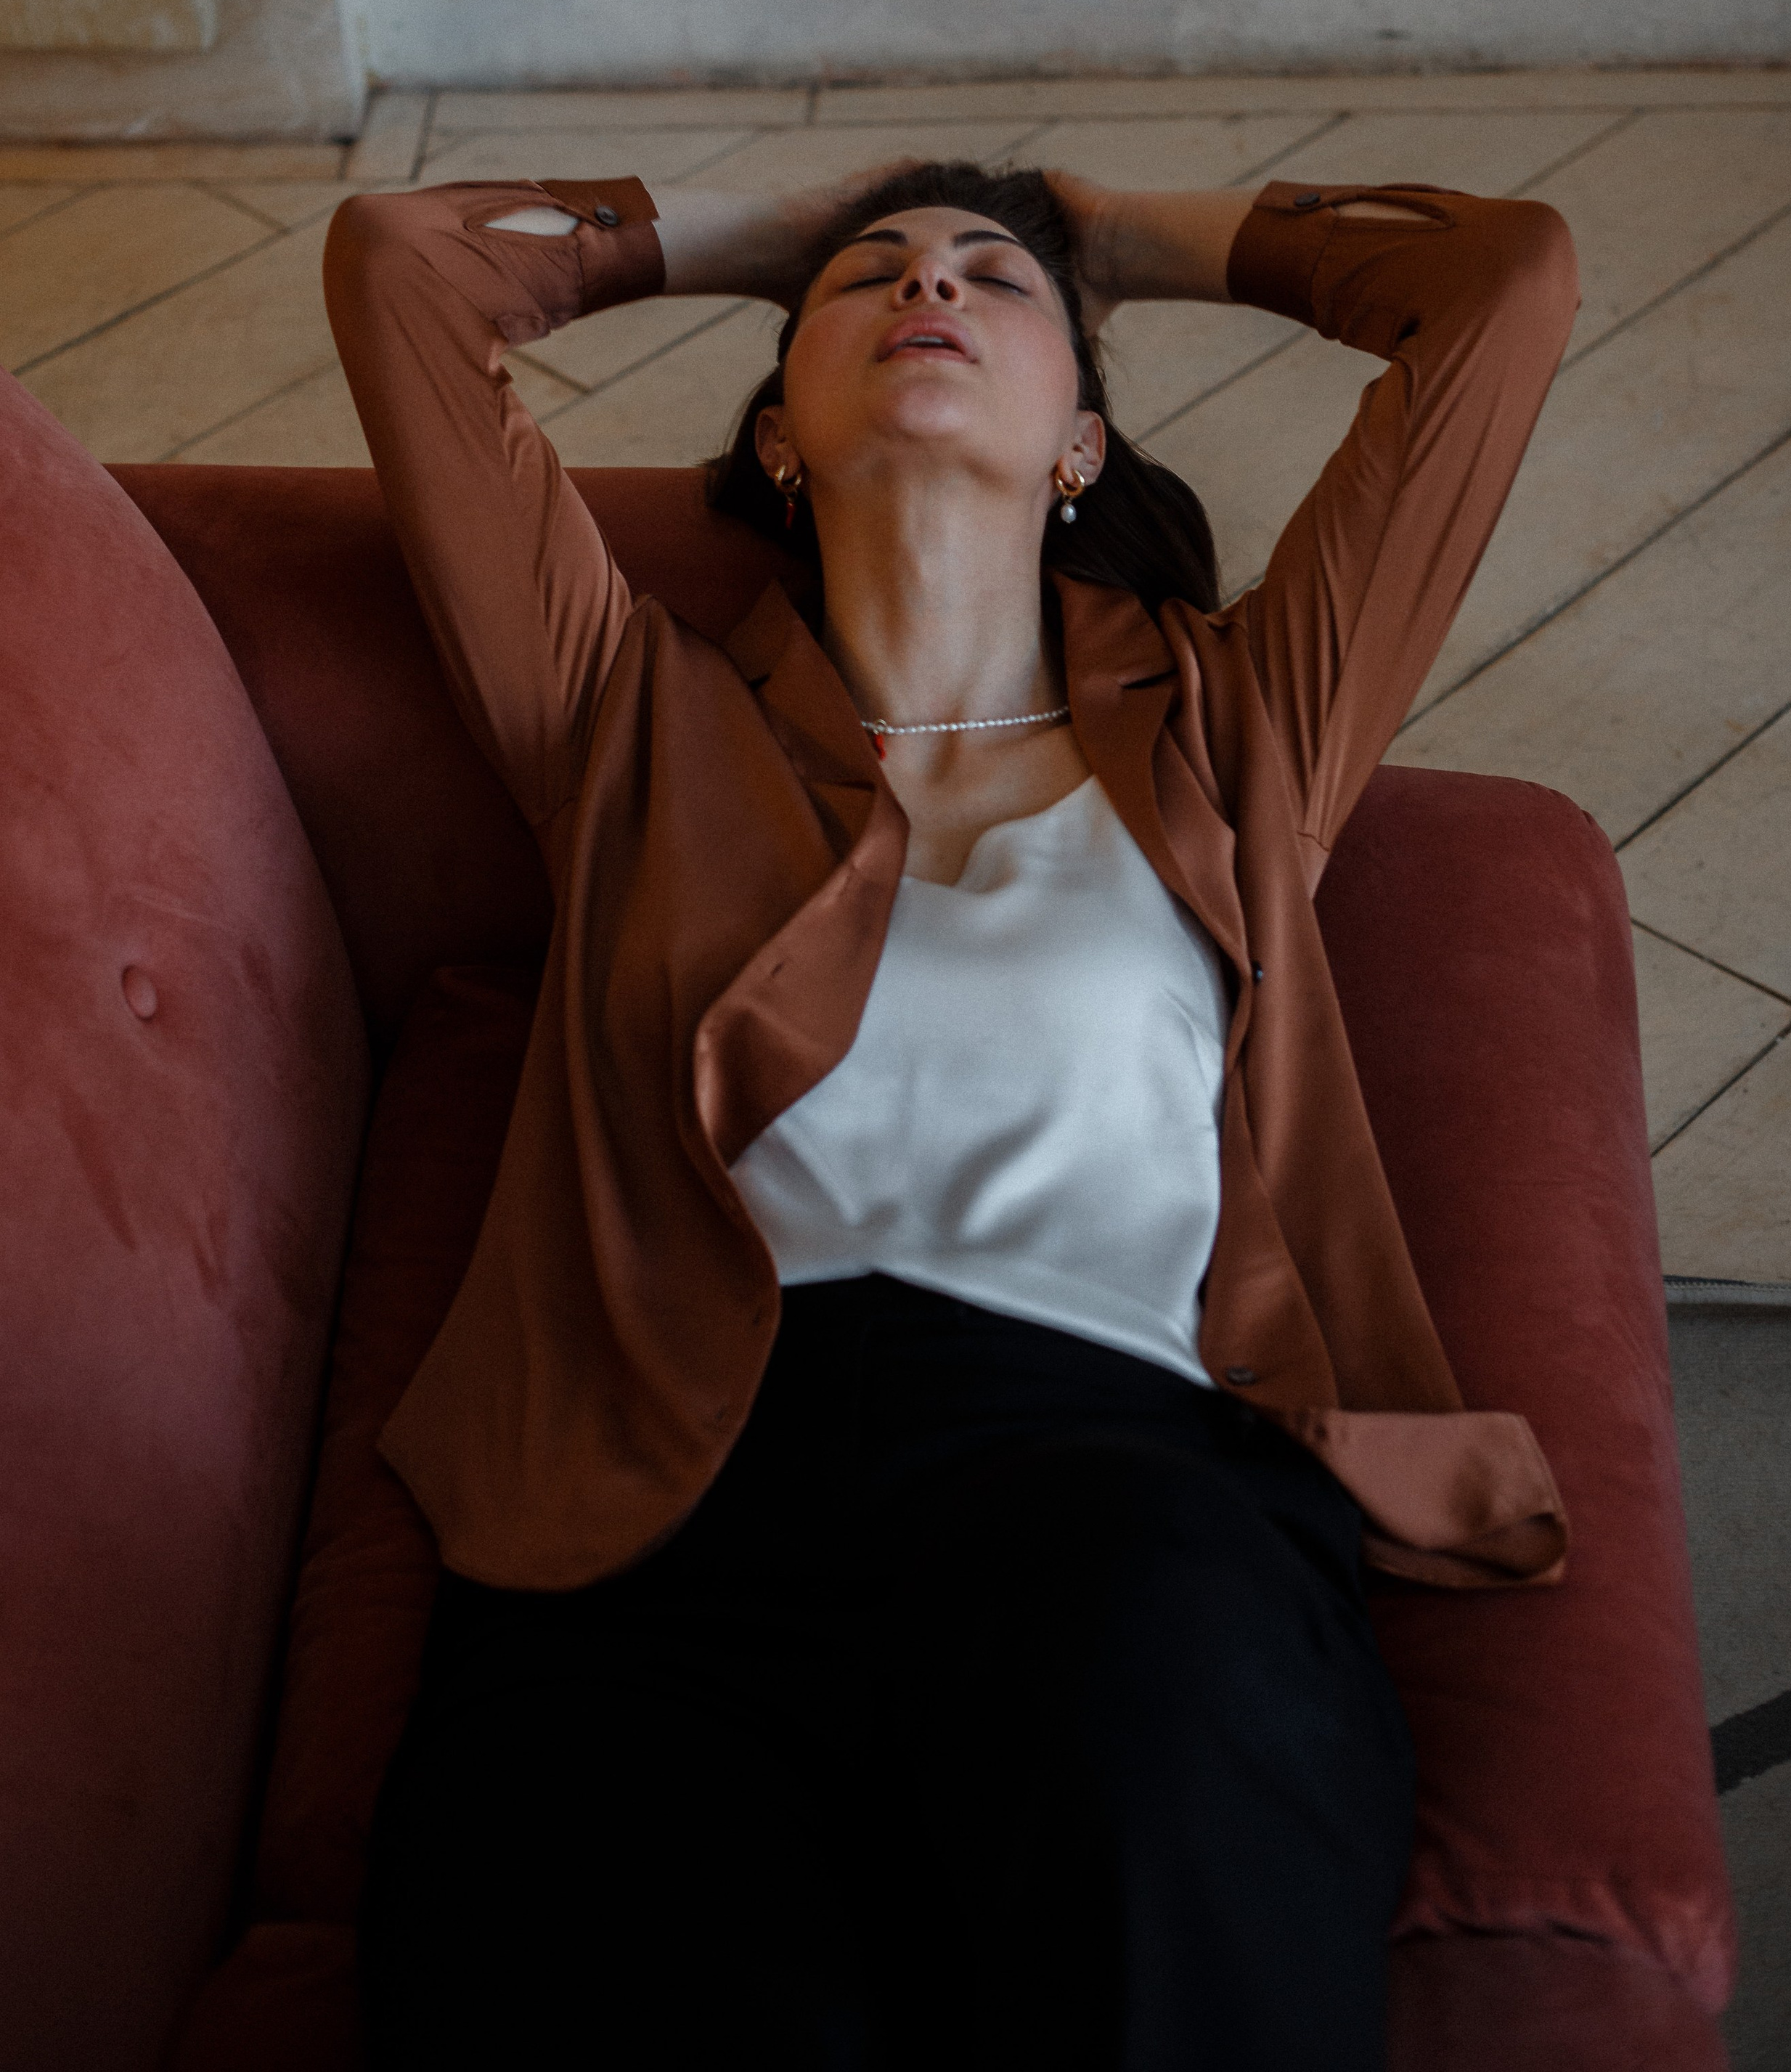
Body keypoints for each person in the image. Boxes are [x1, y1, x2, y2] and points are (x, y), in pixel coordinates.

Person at [327, 149, 1578, 2070]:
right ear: (775, 432)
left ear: (1082, 443)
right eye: (873, 287)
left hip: (1115, 1487)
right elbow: (403, 268)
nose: (932, 288)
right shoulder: (623, 714)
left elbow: (1502, 282)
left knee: (1164, 1839)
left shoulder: (1237, 728)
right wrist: (765, 234)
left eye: (993, 288)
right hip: (664, 1527)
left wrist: (1115, 231)